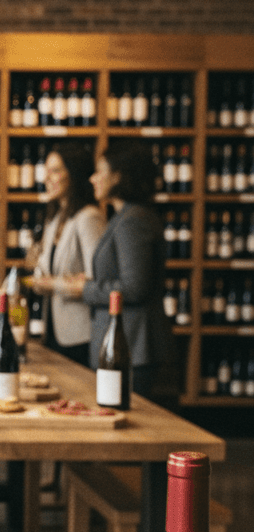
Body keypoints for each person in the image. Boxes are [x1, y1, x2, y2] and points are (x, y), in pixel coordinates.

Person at [60, 142, 175, 399]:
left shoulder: (133, 220)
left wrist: (85, 288)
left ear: (119, 176)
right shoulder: (125, 217)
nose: (93, 178)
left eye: (100, 171)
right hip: (129, 346)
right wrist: (91, 282)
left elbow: (134, 287)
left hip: (135, 347)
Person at [27, 143, 107, 366]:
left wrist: (51, 284)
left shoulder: (89, 217)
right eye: (46, 171)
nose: (47, 178)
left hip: (80, 334)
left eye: (55, 170)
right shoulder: (55, 218)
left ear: (75, 173)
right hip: (52, 330)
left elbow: (97, 280)